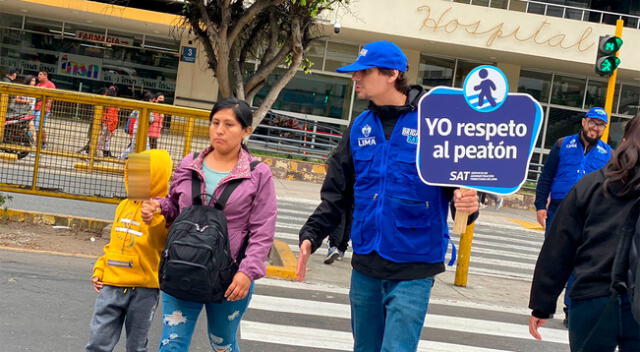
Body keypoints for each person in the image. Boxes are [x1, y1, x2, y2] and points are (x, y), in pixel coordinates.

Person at [296, 41, 479, 352]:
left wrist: (470, 205)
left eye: (364, 72)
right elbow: (337, 193)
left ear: (392, 74)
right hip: (366, 263)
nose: (356, 78)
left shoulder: (435, 124)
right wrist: (311, 235)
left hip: (415, 265)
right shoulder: (358, 127)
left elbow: (462, 191)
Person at [141, 97, 277, 351]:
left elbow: (263, 229)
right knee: (172, 343)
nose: (220, 130)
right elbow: (174, 206)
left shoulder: (258, 174)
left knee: (222, 343)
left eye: (229, 124)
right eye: (215, 122)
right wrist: (157, 208)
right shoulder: (189, 163)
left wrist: (247, 272)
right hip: (182, 266)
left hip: (229, 275)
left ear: (246, 130)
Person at [529, 113, 640, 352]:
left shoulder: (591, 185)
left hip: (592, 296)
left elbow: (559, 249)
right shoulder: (564, 145)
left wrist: (542, 304)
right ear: (584, 122)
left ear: (625, 138)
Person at [85, 149, 173, 352]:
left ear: (158, 177)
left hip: (143, 290)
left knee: (136, 346)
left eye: (142, 175)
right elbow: (114, 244)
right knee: (98, 343)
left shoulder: (163, 213)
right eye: (131, 174)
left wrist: (154, 212)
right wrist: (100, 269)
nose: (134, 180)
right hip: (112, 285)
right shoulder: (123, 205)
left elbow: (158, 242)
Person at [534, 106, 612, 326]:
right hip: (558, 211)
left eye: (600, 125)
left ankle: (571, 309)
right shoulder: (562, 144)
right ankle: (544, 306)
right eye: (593, 122)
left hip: (588, 214)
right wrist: (540, 205)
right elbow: (546, 178)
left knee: (579, 262)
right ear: (584, 122)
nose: (595, 128)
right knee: (554, 259)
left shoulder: (608, 154)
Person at [120, 92, 155, 159]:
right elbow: (151, 119)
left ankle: (123, 157)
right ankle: (123, 157)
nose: (153, 102)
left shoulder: (139, 105)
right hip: (141, 129)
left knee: (134, 145)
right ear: (149, 99)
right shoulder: (149, 107)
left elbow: (132, 115)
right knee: (143, 146)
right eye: (152, 100)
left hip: (137, 128)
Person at [33, 71, 56, 149]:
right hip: (36, 108)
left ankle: (38, 144)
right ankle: (43, 143)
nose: (38, 76)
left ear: (45, 76)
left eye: (40, 74)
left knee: (38, 126)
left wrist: (47, 106)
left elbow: (51, 97)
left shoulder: (50, 84)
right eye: (38, 74)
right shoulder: (38, 84)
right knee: (39, 127)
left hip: (43, 109)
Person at [96, 86, 120, 158]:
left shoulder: (106, 98)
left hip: (106, 121)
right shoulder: (115, 101)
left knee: (103, 137)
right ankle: (104, 151)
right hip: (109, 121)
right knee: (106, 137)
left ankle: (102, 151)